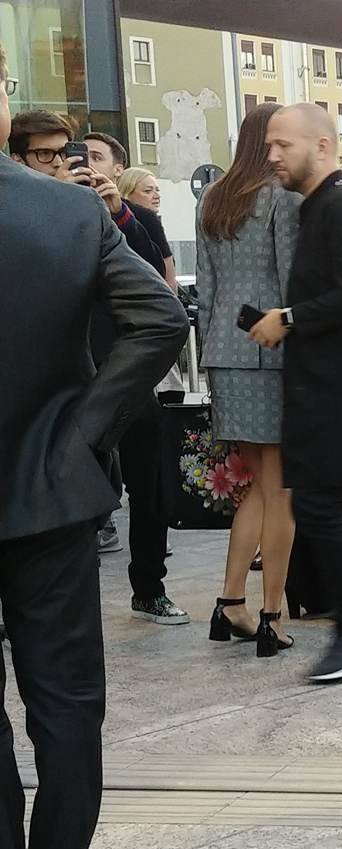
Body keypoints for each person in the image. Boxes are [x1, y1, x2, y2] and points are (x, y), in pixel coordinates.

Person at [0, 43, 189, 849]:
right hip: (52, 487)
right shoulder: (69, 211)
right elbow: (160, 317)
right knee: (68, 696)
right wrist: (83, 435)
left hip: (51, 481)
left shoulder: (69, 210)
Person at [12, 111, 185, 621]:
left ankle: (149, 585)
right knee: (70, 504)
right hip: (58, 387)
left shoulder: (120, 214)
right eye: (46, 154)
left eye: (71, 153)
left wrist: (116, 214)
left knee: (149, 487)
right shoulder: (20, 216)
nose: (62, 164)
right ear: (18, 159)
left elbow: (158, 287)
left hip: (123, 377)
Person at [250, 103, 342, 684]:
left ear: (322, 145)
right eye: (269, 144)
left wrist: (287, 317)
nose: (272, 155)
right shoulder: (325, 207)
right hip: (339, 388)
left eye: (283, 145)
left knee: (318, 503)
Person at [196, 101, 301, 657]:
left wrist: (217, 346)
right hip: (270, 351)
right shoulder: (282, 196)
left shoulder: (213, 196)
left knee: (258, 486)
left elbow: (208, 291)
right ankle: (271, 616)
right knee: (280, 490)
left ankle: (230, 603)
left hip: (224, 351)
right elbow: (290, 284)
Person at [84, 131, 174, 283]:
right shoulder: (64, 205)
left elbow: (160, 273)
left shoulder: (139, 216)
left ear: (118, 170)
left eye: (96, 158)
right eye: (82, 156)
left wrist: (120, 216)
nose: (87, 164)